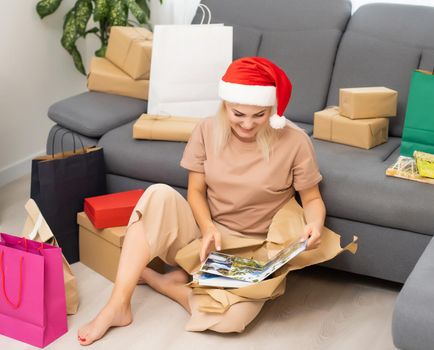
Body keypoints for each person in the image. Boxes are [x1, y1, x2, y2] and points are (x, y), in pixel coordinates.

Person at [77, 57, 327, 345]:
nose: (247, 124)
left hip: (257, 251)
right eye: (238, 114)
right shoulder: (207, 130)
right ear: (225, 105)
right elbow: (195, 191)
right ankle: (117, 305)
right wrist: (207, 227)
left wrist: (315, 225)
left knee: (230, 321)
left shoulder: (295, 141)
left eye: (259, 115)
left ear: (271, 108)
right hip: (209, 237)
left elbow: (312, 198)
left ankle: (164, 282)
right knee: (156, 194)